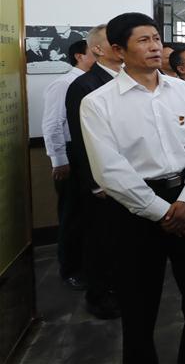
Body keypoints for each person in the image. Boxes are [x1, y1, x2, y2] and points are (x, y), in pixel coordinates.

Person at [80, 13, 185, 364]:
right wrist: (162, 213)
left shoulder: (182, 90)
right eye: (143, 40)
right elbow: (109, 169)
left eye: (156, 38)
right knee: (139, 303)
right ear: (117, 50)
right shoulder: (98, 102)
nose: (155, 46)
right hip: (133, 211)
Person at [66, 24, 125, 319]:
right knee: (100, 240)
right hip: (100, 181)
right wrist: (94, 183)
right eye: (114, 42)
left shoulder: (131, 80)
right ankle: (99, 296)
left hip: (129, 176)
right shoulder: (85, 85)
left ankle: (120, 289)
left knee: (121, 242)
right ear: (99, 49)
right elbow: (81, 140)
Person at [41, 39, 95, 290]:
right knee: (72, 214)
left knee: (88, 215)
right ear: (78, 56)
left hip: (89, 152)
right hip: (70, 155)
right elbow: (52, 124)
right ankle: (71, 269)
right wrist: (59, 160)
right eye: (94, 52)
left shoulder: (93, 82)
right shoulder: (64, 83)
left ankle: (88, 265)